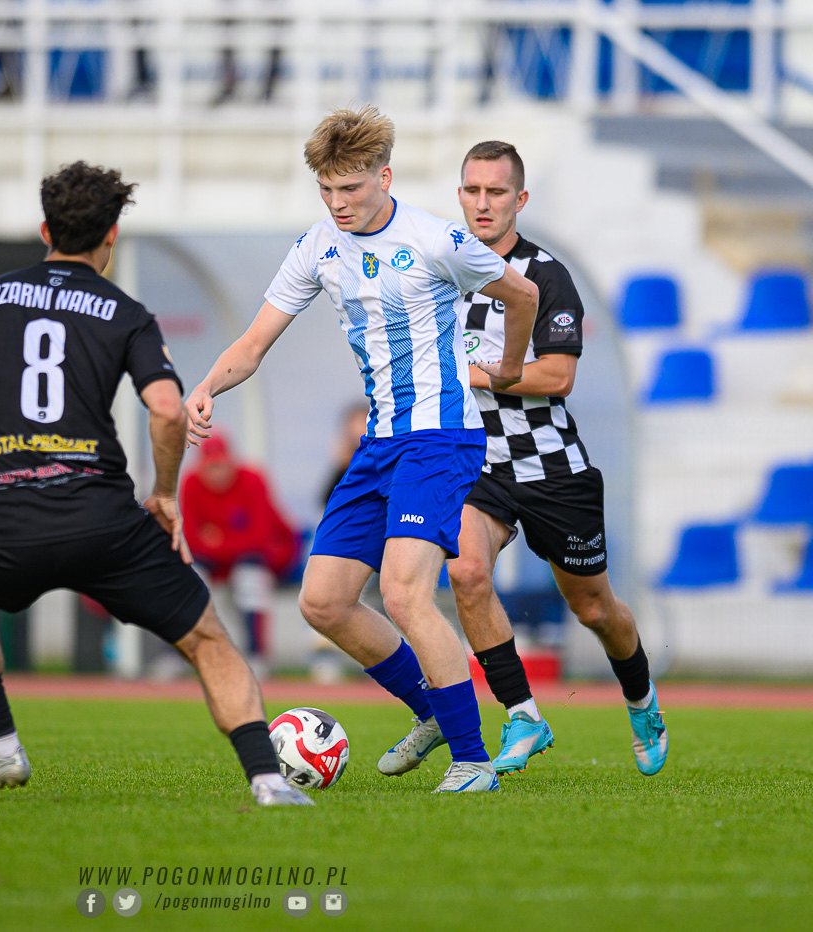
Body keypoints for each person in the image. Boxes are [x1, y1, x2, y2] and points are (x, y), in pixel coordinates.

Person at [0, 160, 311, 807]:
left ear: (45, 230)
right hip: (104, 524)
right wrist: (166, 492)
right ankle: (267, 780)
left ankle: (0, 747)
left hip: (8, 519)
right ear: (111, 237)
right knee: (208, 638)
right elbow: (168, 410)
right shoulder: (126, 313)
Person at [184, 105, 539, 793]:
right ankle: (432, 712)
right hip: (378, 444)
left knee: (405, 593)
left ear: (385, 177)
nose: (337, 202)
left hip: (441, 438)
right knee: (323, 601)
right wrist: (207, 386)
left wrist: (509, 369)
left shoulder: (435, 240)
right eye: (326, 189)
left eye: (350, 188)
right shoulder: (318, 247)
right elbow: (253, 344)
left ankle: (473, 762)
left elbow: (521, 293)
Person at [423, 140, 666, 776]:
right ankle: (523, 715)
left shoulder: (545, 275)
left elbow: (558, 376)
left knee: (594, 609)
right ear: (459, 195)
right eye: (473, 190)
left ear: (520, 199)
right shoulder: (440, 269)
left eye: (496, 192)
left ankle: (641, 699)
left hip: (551, 467)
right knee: (465, 573)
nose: (483, 203)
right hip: (478, 463)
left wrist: (474, 373)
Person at [180, 432, 299, 674]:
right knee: (186, 577)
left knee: (250, 577)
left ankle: (257, 656)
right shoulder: (191, 482)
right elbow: (192, 541)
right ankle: (180, 655)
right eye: (211, 467)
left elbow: (259, 540)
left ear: (231, 461)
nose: (217, 472)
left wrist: (217, 539)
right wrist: (231, 543)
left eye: (221, 465)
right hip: (221, 564)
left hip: (271, 559)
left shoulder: (253, 479)